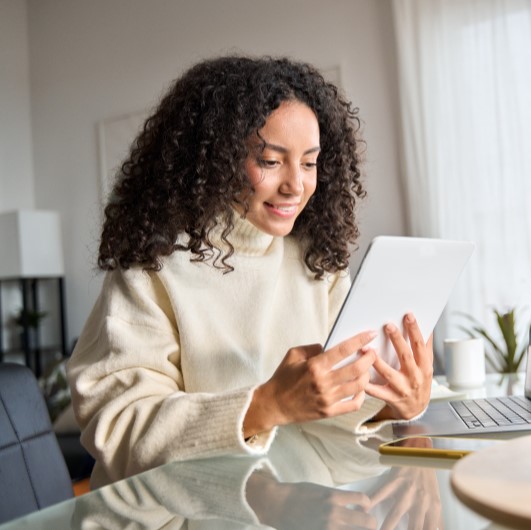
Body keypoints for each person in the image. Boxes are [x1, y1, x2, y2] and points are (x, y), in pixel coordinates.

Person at [67, 55, 433, 488]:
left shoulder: (318, 261)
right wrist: (268, 404)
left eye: (310, 162)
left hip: (307, 503)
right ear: (215, 160)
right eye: (271, 160)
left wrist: (396, 402)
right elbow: (120, 428)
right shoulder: (152, 268)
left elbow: (333, 412)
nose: (296, 185)